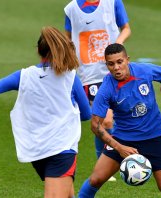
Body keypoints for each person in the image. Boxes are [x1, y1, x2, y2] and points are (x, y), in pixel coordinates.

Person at [0, 27, 91, 198]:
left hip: (37, 151)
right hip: (62, 149)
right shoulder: (70, 77)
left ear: (38, 50)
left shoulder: (24, 76)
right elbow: (86, 115)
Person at [77, 43, 161, 198]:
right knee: (96, 179)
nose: (116, 67)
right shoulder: (106, 88)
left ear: (127, 60)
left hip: (156, 137)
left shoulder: (144, 70)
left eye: (119, 62)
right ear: (107, 65)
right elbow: (95, 125)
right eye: (111, 64)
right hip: (123, 139)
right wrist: (119, 148)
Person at [64, 1, 131, 181]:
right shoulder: (71, 9)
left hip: (115, 68)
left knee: (124, 115)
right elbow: (68, 40)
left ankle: (118, 158)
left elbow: (126, 28)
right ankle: (108, 161)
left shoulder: (113, 3)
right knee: (105, 121)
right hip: (90, 74)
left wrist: (117, 45)